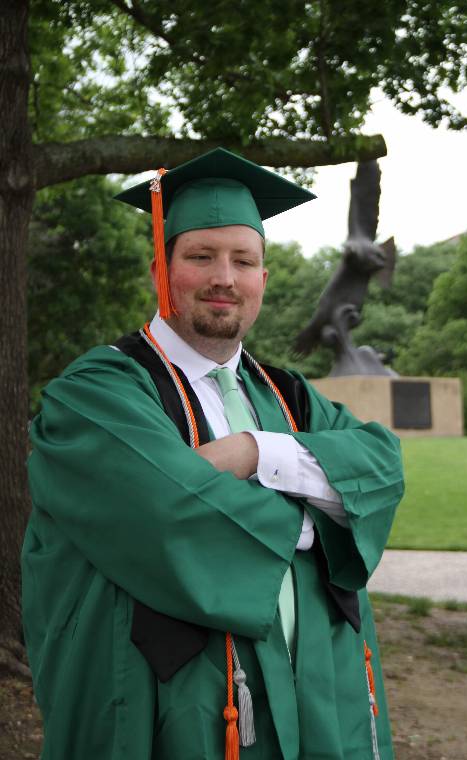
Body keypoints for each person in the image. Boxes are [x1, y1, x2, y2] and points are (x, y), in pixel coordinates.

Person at [23, 147, 404, 760]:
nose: (224, 277)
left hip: (312, 696)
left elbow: (380, 467)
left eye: (243, 261)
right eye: (201, 256)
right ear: (162, 267)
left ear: (263, 279)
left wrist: (257, 452)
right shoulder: (98, 392)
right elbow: (166, 514)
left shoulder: (288, 395)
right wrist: (317, 520)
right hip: (175, 707)